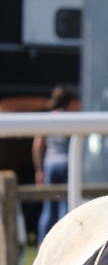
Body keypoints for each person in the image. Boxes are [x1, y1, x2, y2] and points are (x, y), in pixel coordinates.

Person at [32, 85, 77, 246]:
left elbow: (38, 145)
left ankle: (41, 242)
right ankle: (63, 242)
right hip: (67, 163)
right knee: (66, 204)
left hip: (50, 163)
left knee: (48, 207)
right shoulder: (72, 117)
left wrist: (39, 169)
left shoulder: (48, 117)